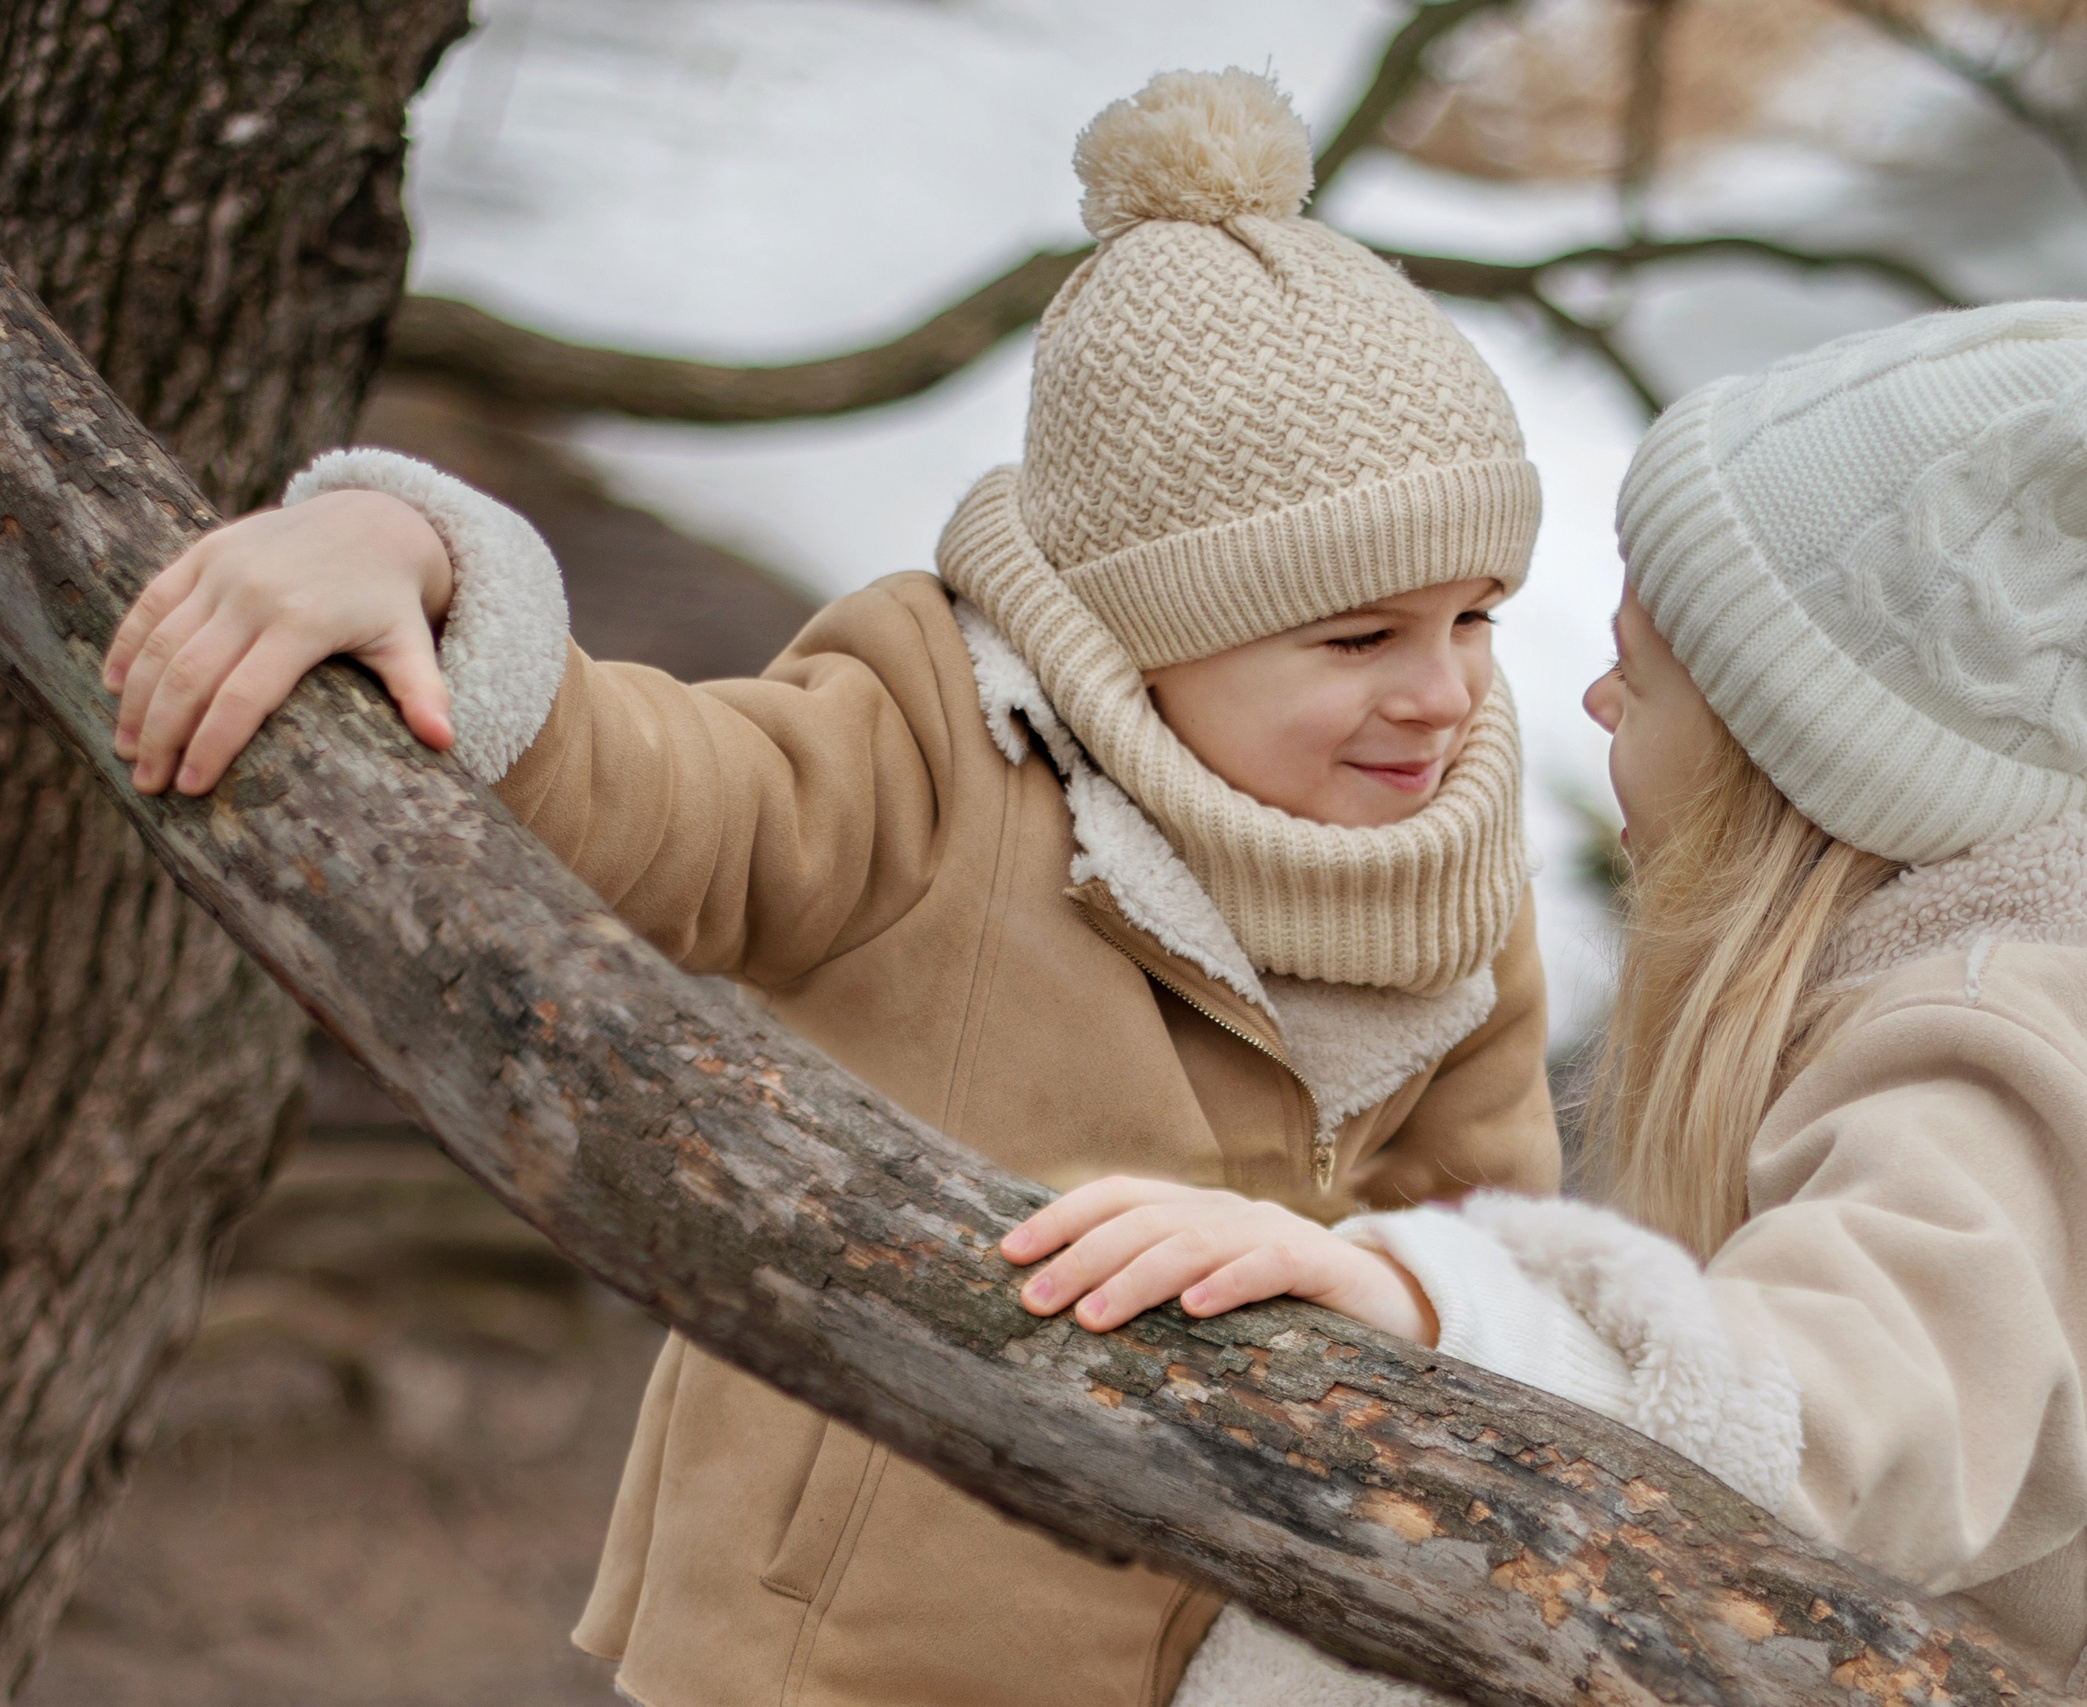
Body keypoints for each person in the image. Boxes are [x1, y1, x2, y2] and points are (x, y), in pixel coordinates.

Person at [104, 70, 1561, 1707]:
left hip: (1226, 1659)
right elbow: (661, 794)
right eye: (1359, 637)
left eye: (1477, 618)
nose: (1443, 693)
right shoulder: (936, 747)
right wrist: (419, 559)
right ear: (1141, 632)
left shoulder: (1448, 870)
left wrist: (1415, 1298)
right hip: (838, 1648)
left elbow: (1491, 1244)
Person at [1005, 225, 2087, 1707]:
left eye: (1641, 673)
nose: (1591, 695)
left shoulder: (1996, 1064)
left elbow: (1815, 1426)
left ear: (1793, 754)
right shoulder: (2042, 967)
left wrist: (1425, 1297)